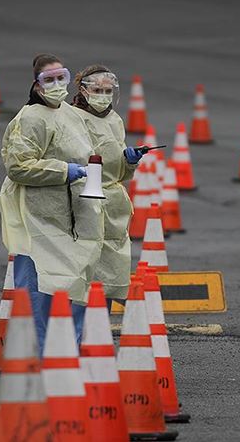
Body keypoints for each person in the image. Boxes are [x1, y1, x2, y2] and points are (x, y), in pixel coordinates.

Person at [0, 53, 102, 349]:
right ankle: (40, 355)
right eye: (49, 79)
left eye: (61, 77)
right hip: (37, 218)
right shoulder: (30, 118)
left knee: (71, 287)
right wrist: (64, 171)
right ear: (37, 84)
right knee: (38, 289)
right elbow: (18, 166)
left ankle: (66, 353)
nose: (56, 84)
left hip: (69, 217)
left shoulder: (69, 114)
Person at [67, 65, 143, 310]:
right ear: (83, 90)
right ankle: (77, 325)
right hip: (83, 198)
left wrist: (129, 162)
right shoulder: (71, 117)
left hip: (112, 203)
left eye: (108, 91)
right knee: (83, 269)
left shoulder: (115, 120)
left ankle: (100, 324)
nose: (103, 95)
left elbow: (119, 170)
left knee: (111, 272)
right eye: (97, 90)